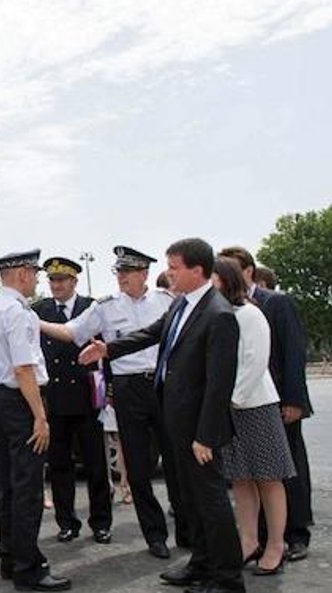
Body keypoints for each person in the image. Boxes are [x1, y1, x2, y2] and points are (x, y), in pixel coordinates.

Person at [80, 238, 243, 593]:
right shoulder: (183, 305)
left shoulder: (218, 315)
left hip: (199, 430)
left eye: (174, 267)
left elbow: (219, 385)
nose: (168, 274)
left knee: (212, 503)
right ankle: (201, 563)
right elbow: (152, 334)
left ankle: (227, 578)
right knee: (194, 500)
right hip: (178, 420)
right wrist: (108, 349)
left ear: (197, 271)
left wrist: (206, 435)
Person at [40, 245, 184, 559]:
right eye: (118, 272)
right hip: (128, 389)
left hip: (163, 386)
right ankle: (155, 535)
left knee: (175, 460)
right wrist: (32, 320)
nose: (121, 278)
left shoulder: (167, 302)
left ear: (144, 273)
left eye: (127, 272)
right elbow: (71, 331)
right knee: (138, 466)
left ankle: (186, 527)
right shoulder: (105, 308)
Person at [0, 250, 71, 591]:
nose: (37, 278)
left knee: (9, 484)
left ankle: (10, 556)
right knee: (28, 487)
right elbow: (23, 367)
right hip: (20, 400)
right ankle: (28, 567)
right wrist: (40, 416)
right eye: (34, 272)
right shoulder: (17, 312)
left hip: (1, 399)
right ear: (20, 275)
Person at [219, 246, 313, 561]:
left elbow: (291, 354)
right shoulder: (224, 311)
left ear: (245, 271)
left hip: (266, 403)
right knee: (245, 476)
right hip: (236, 407)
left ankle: (291, 537)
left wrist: (295, 400)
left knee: (280, 474)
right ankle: (253, 540)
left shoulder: (270, 304)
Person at [31, 257, 112, 545]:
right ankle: (66, 523)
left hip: (87, 397)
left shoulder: (92, 307)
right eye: (52, 280)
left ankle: (101, 522)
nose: (56, 285)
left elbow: (107, 348)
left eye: (62, 280)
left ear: (74, 281)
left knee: (96, 465)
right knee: (59, 466)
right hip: (55, 399)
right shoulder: (38, 310)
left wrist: (109, 389)